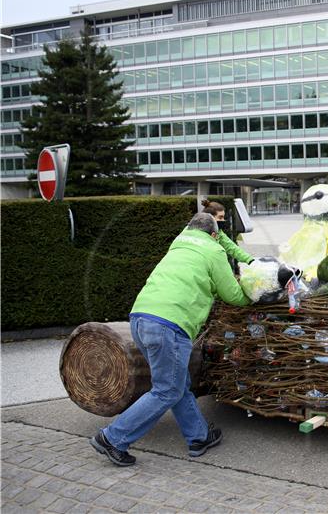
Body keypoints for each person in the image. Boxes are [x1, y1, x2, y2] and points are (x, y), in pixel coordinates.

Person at [90, 213, 252, 466]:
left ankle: (198, 437)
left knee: (178, 384)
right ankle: (113, 438)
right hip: (169, 325)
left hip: (140, 318)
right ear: (213, 234)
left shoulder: (178, 246)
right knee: (167, 390)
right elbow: (231, 293)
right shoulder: (213, 250)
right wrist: (254, 298)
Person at [201, 199, 254, 264]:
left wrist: (248, 259)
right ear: (210, 218)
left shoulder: (218, 232)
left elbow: (231, 246)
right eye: (220, 217)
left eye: (223, 217)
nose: (223, 220)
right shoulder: (198, 232)